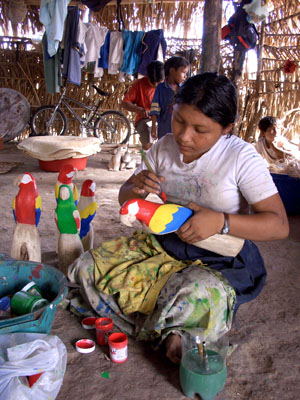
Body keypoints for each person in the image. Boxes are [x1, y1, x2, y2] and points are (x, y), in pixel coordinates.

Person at [68, 73, 289, 366]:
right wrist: (133, 189)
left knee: (196, 293)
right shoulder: (162, 147)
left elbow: (279, 226)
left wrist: (222, 221)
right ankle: (170, 327)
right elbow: (125, 197)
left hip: (219, 258)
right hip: (162, 246)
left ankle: (170, 324)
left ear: (226, 129)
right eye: (180, 121)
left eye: (200, 129)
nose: (185, 136)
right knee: (86, 268)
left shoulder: (241, 158)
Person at [121, 61, 165, 150]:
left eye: (159, 82)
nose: (156, 85)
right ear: (147, 76)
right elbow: (125, 103)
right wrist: (140, 110)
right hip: (145, 119)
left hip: (163, 119)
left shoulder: (169, 85)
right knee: (148, 138)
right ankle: (148, 158)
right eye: (153, 82)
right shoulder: (139, 84)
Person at [150, 56, 189, 141]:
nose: (185, 76)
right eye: (183, 72)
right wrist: (153, 126)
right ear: (172, 71)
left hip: (182, 130)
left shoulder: (185, 89)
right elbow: (154, 108)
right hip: (164, 129)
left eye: (186, 73)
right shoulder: (161, 88)